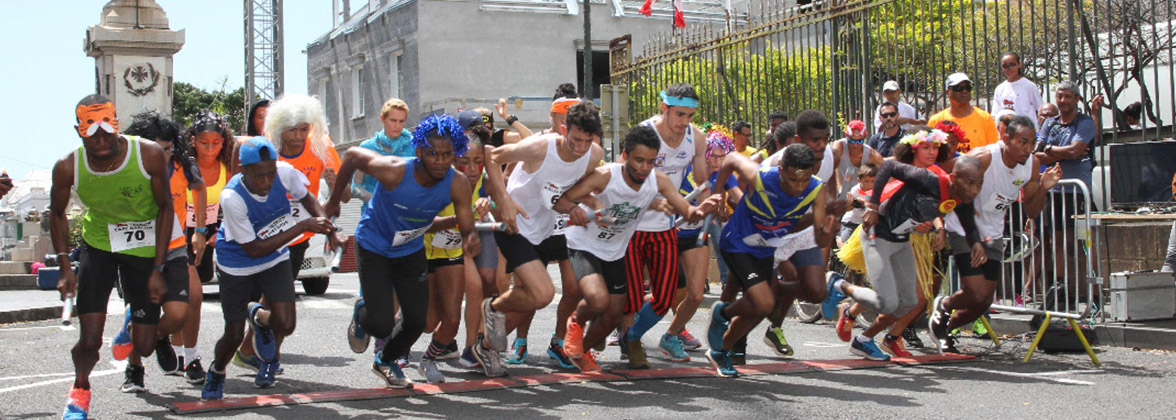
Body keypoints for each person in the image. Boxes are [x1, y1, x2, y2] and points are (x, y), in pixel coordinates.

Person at [325, 114, 480, 387]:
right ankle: (363, 313)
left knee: (416, 322)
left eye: (447, 155)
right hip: (374, 245)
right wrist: (334, 201)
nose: (441, 161)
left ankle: (386, 361)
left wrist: (470, 237)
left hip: (409, 249)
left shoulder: (457, 183)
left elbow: (466, 224)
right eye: (433, 154)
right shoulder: (395, 170)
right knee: (381, 324)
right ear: (419, 151)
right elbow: (350, 156)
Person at [555, 125, 717, 372]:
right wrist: (576, 210)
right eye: (639, 160)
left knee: (613, 315)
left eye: (651, 161)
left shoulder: (657, 180)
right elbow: (564, 198)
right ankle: (575, 323)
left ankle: (583, 351)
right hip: (585, 244)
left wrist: (701, 210)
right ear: (626, 155)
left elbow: (687, 212)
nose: (644, 167)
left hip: (615, 250)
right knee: (598, 300)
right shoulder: (606, 175)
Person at [53, 95, 176, 418]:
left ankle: (130, 323)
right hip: (100, 246)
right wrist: (66, 267)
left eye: (107, 132)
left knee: (145, 346)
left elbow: (166, 207)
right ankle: (79, 391)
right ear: (79, 132)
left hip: (143, 249)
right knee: (90, 341)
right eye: (92, 134)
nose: (101, 140)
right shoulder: (68, 166)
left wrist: (158, 268)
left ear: (117, 126)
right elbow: (56, 214)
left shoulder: (147, 154)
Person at [200, 137, 342, 399]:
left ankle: (258, 318)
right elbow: (253, 249)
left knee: (286, 324)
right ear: (243, 170)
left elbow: (308, 198)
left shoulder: (284, 173)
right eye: (258, 176)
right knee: (232, 334)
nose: (266, 182)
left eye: (270, 174)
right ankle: (217, 370)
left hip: (274, 256)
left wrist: (327, 227)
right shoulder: (232, 197)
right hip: (237, 262)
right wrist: (301, 226)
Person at [828, 130, 984, 361]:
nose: (974, 190)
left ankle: (865, 340)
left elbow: (963, 215)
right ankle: (839, 285)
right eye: (925, 147)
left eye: (978, 184)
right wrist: (871, 207)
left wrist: (974, 242)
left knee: (910, 302)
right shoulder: (920, 174)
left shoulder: (957, 193)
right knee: (888, 300)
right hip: (877, 234)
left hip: (903, 241)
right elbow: (886, 170)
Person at [481, 101, 605, 375]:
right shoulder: (541, 146)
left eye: (587, 141)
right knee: (543, 294)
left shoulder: (593, 154)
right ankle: (490, 334)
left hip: (545, 228)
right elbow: (490, 155)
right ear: (563, 129)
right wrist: (504, 201)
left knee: (535, 298)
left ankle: (489, 327)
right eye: (575, 140)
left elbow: (571, 189)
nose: (581, 147)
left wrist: (587, 205)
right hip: (514, 225)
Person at [931, 116, 1063, 353]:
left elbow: (1030, 211)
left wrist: (1043, 187)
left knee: (983, 302)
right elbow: (941, 175)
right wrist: (937, 220)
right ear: (1006, 138)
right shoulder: (984, 157)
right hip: (963, 228)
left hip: (993, 233)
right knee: (974, 291)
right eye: (1022, 142)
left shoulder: (1031, 164)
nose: (1028, 148)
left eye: (1032, 143)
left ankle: (945, 327)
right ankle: (945, 304)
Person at [705, 144, 838, 377]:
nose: (797, 187)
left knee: (758, 309)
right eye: (790, 180)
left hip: (765, 249)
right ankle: (721, 314)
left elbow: (819, 238)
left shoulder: (816, 190)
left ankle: (720, 350)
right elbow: (731, 160)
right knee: (765, 303)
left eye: (803, 180)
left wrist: (827, 233)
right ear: (780, 169)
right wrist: (718, 193)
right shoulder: (760, 176)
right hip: (737, 242)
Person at [235, 94, 346, 371]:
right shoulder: (267, 148)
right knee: (268, 298)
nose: (298, 137)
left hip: (298, 237)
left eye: (303, 129)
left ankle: (258, 353)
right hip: (264, 232)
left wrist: (335, 185)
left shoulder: (321, 147)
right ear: (278, 127)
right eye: (291, 130)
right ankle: (254, 350)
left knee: (278, 299)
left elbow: (343, 197)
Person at [621, 83, 708, 370]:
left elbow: (701, 181)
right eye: (679, 114)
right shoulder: (644, 134)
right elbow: (620, 176)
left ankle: (633, 337)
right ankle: (623, 336)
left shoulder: (696, 138)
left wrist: (707, 205)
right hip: (632, 225)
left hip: (665, 226)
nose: (685, 122)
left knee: (665, 296)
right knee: (630, 297)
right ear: (664, 108)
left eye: (690, 116)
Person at [119, 112, 207, 391]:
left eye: (168, 148)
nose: (163, 154)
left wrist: (200, 230)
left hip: (174, 247)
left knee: (191, 299)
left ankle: (184, 354)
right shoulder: (126, 168)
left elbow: (200, 188)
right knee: (142, 310)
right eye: (156, 147)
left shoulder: (183, 165)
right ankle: (134, 368)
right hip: (137, 250)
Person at [503, 85, 581, 370]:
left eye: (572, 118)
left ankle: (558, 342)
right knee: (528, 291)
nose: (567, 124)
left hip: (566, 227)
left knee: (573, 287)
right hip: (534, 224)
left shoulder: (585, 145)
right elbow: (509, 170)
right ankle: (519, 341)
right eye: (562, 117)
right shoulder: (539, 144)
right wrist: (507, 202)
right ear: (552, 117)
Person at [412, 113, 491, 383]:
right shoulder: (439, 180)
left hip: (452, 253)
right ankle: (392, 344)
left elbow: (494, 200)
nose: (471, 169)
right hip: (421, 251)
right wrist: (455, 221)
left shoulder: (479, 181)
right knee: (425, 321)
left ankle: (429, 359)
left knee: (451, 319)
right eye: (464, 162)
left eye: (478, 162)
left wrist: (486, 204)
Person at [662, 128, 744, 360]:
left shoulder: (723, 175)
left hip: (695, 236)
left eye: (723, 157)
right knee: (665, 293)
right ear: (705, 153)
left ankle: (673, 333)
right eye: (714, 156)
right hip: (668, 234)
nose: (718, 161)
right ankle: (629, 325)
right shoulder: (687, 171)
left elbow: (738, 196)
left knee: (694, 293)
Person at [178, 111, 236, 380]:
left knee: (192, 290)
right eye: (204, 143)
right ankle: (191, 358)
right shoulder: (182, 164)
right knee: (193, 294)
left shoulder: (228, 165)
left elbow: (233, 202)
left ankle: (174, 343)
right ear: (192, 141)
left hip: (212, 231)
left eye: (216, 142)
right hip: (181, 231)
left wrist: (218, 231)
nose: (210, 148)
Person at [1034, 81, 1098, 308]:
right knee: (1056, 242)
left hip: (1077, 192)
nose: (1063, 101)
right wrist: (1055, 153)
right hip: (1055, 191)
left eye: (1067, 97)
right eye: (1059, 96)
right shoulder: (1050, 123)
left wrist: (1051, 152)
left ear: (1077, 100)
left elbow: (1076, 150)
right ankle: (1062, 290)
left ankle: (1090, 293)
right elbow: (1037, 153)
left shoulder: (1085, 122)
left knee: (1080, 244)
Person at [350, 98, 415, 204]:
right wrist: (375, 200)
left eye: (401, 121)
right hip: (373, 213)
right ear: (382, 119)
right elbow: (356, 186)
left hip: (404, 212)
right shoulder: (366, 147)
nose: (397, 126)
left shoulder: (413, 146)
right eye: (393, 120)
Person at [928, 73, 998, 153]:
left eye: (968, 87)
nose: (964, 91)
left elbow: (993, 150)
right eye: (958, 88)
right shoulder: (936, 121)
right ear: (947, 92)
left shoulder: (985, 118)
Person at [992, 52, 1044, 129]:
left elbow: (1040, 110)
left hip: (1026, 131)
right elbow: (995, 114)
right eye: (1005, 66)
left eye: (1012, 65)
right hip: (1008, 133)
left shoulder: (1029, 86)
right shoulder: (1000, 89)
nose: (1009, 68)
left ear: (1019, 65)